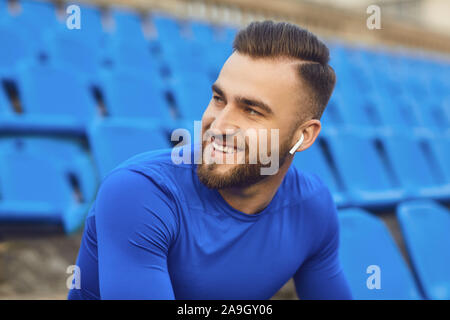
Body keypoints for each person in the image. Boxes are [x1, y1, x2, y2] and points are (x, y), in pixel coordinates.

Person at [68, 20, 353, 300]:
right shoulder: (139, 193)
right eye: (219, 98)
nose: (218, 126)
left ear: (303, 135)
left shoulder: (312, 206)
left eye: (252, 110)